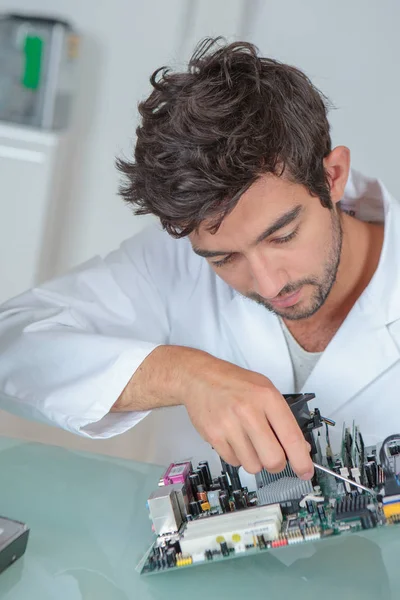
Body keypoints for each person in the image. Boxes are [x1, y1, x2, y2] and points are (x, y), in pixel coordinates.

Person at [0, 38, 397, 479]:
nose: (267, 285)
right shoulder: (172, 263)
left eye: (282, 236)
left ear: (332, 176)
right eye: (224, 259)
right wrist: (186, 375)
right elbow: (12, 345)